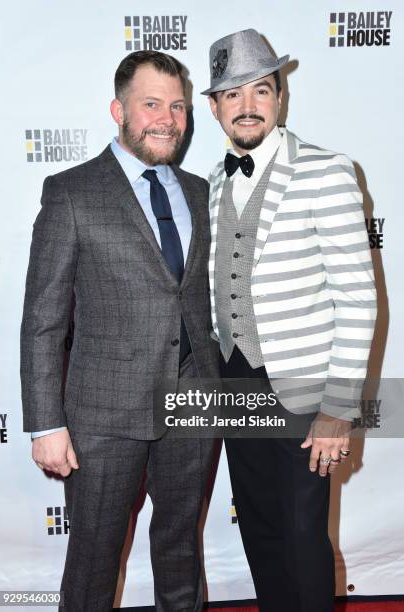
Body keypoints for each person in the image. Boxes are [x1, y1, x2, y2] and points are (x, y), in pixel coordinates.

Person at [20, 50, 219, 612]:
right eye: (151, 103)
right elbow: (43, 320)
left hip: (195, 403)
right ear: (118, 109)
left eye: (178, 106)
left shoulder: (201, 194)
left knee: (182, 551)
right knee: (93, 559)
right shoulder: (71, 193)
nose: (167, 119)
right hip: (102, 415)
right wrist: (45, 423)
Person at [202, 29, 376, 612]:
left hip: (304, 392)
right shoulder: (210, 183)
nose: (247, 105)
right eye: (232, 94)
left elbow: (358, 299)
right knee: (260, 528)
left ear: (280, 98)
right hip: (233, 382)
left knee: (304, 537)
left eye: (260, 90)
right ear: (214, 107)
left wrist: (338, 407)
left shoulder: (328, 171)